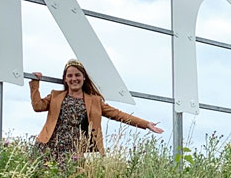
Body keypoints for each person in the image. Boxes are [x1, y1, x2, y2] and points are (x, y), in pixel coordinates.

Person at [30, 59, 163, 160]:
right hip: (48, 145)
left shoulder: (94, 101)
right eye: (69, 76)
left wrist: (146, 124)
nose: (74, 79)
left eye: (77, 75)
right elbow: (38, 106)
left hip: (73, 150)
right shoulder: (55, 96)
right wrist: (35, 84)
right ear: (65, 79)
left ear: (84, 78)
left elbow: (117, 114)